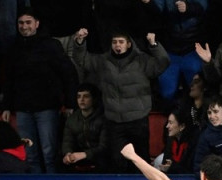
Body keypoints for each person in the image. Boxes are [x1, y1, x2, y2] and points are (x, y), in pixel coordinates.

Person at [72, 29, 169, 172]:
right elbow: (83, 60)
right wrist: (80, 42)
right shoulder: (104, 61)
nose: (117, 45)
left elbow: (163, 62)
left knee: (141, 162)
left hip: (138, 120)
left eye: (121, 42)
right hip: (114, 122)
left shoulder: (141, 60)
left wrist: (154, 45)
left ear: (129, 44)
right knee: (117, 163)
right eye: (114, 42)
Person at [2, 7, 78, 173]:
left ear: (37, 23)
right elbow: (9, 79)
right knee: (30, 155)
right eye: (21, 23)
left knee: (49, 153)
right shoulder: (14, 48)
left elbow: (69, 74)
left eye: (28, 22)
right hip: (23, 109)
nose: (24, 26)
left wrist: (70, 103)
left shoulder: (51, 45)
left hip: (47, 108)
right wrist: (6, 106)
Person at [153, 0, 207, 102]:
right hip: (170, 50)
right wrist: (149, 3)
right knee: (167, 93)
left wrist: (188, 7)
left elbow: (203, 6)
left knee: (197, 91)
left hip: (193, 49)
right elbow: (157, 9)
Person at [61, 83, 108, 173]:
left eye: (86, 96)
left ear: (93, 99)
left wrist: (85, 154)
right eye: (79, 97)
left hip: (99, 160)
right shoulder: (72, 119)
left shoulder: (103, 118)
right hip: (79, 159)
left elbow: (104, 146)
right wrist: (68, 154)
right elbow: (68, 142)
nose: (81, 100)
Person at [160, 108, 198, 174]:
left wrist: (172, 167)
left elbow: (190, 169)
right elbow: (165, 163)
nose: (167, 126)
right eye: (168, 122)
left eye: (170, 123)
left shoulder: (193, 143)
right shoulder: (170, 140)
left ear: (182, 126)